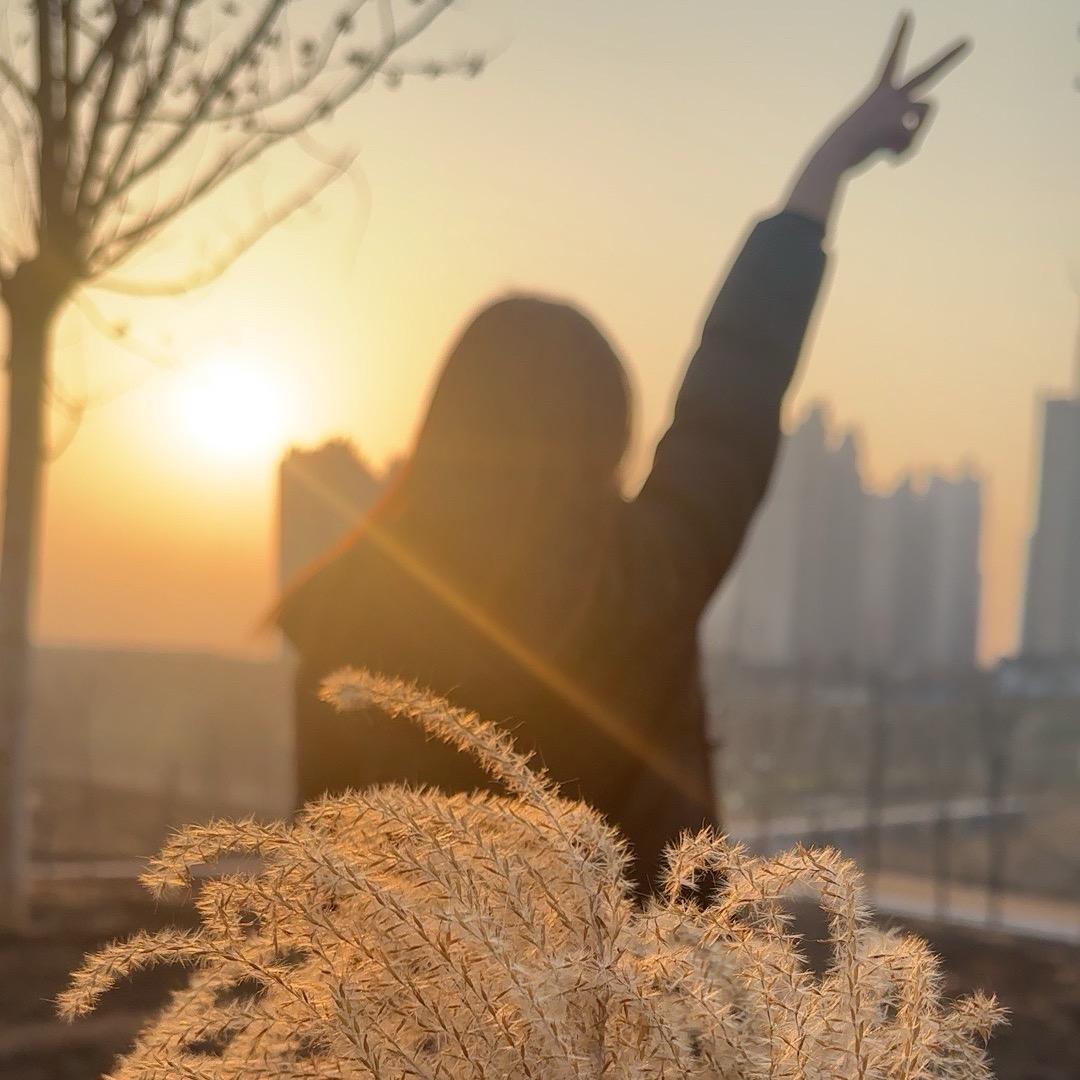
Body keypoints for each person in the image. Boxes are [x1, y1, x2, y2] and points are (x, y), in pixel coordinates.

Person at [276, 15, 970, 891]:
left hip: (413, 1022)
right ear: (607, 438)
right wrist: (827, 165)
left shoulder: (343, 615)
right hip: (635, 1015)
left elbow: (323, 880)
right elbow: (733, 391)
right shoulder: (645, 579)